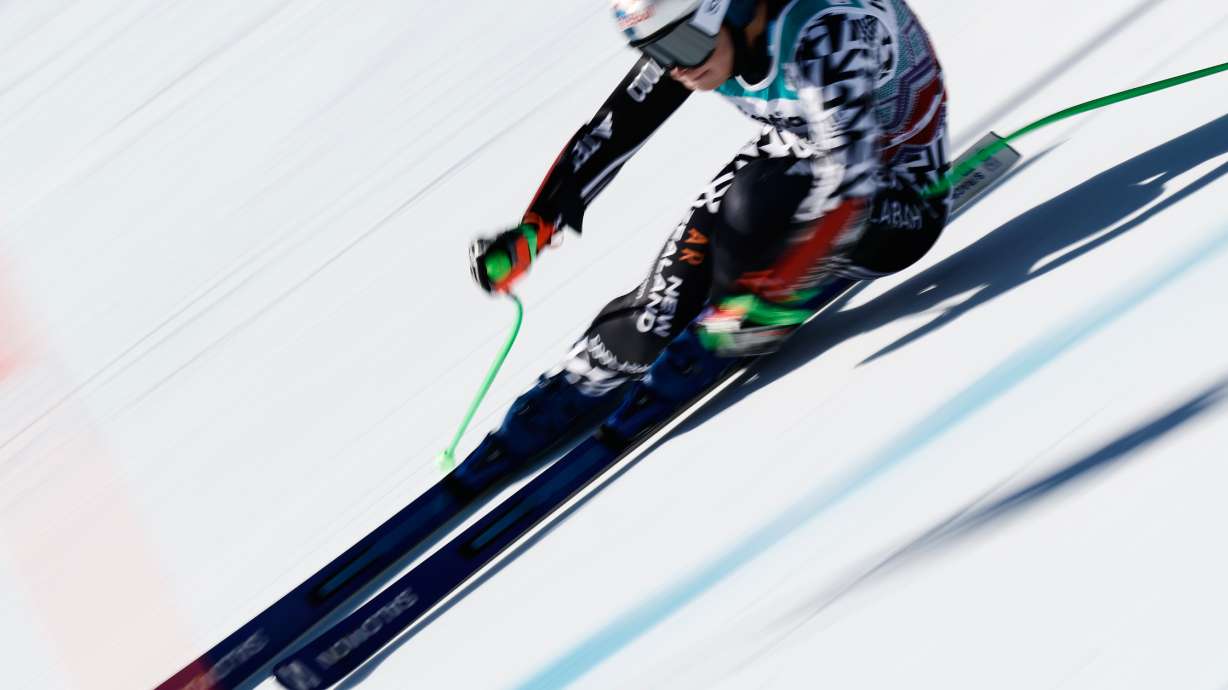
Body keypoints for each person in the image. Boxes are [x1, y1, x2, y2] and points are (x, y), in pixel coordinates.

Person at [463, 0, 950, 470]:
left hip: (899, 192)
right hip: (797, 148)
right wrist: (535, 229)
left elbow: (850, 188)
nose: (675, 69)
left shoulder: (827, 33)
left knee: (751, 212)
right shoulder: (697, 40)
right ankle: (581, 380)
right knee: (657, 312)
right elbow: (614, 131)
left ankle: (742, 304)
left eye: (677, 46)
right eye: (653, 50)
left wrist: (773, 293)